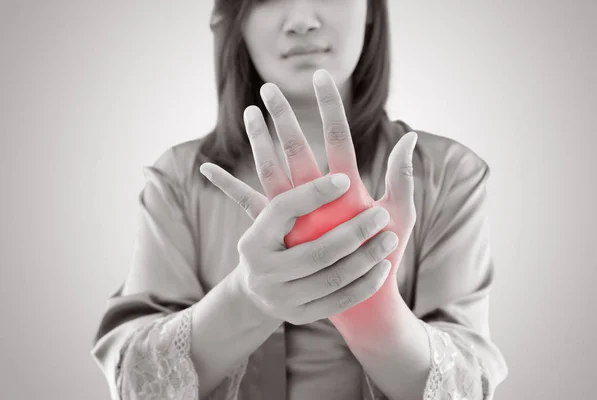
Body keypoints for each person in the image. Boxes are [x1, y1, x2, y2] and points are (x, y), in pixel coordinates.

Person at [91, 0, 508, 399]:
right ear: (234, 14)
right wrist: (246, 299)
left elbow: (469, 389)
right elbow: (132, 384)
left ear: (371, 9)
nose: (302, 20)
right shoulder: (180, 180)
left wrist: (375, 318)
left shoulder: (449, 174)